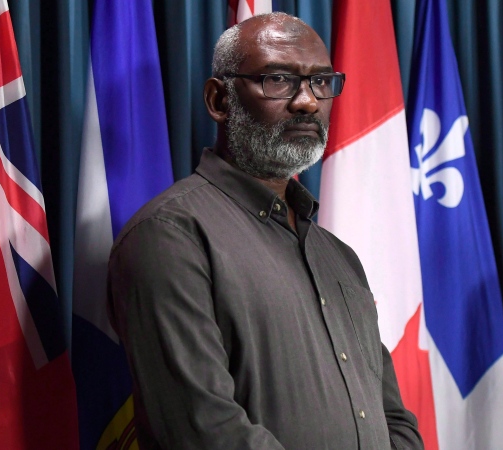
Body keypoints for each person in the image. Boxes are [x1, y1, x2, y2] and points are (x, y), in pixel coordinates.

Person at [107, 12, 423, 449]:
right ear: (219, 100)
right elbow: (203, 429)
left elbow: (393, 419)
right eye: (278, 79)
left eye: (320, 82)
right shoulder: (170, 237)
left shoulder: (339, 256)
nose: (308, 102)